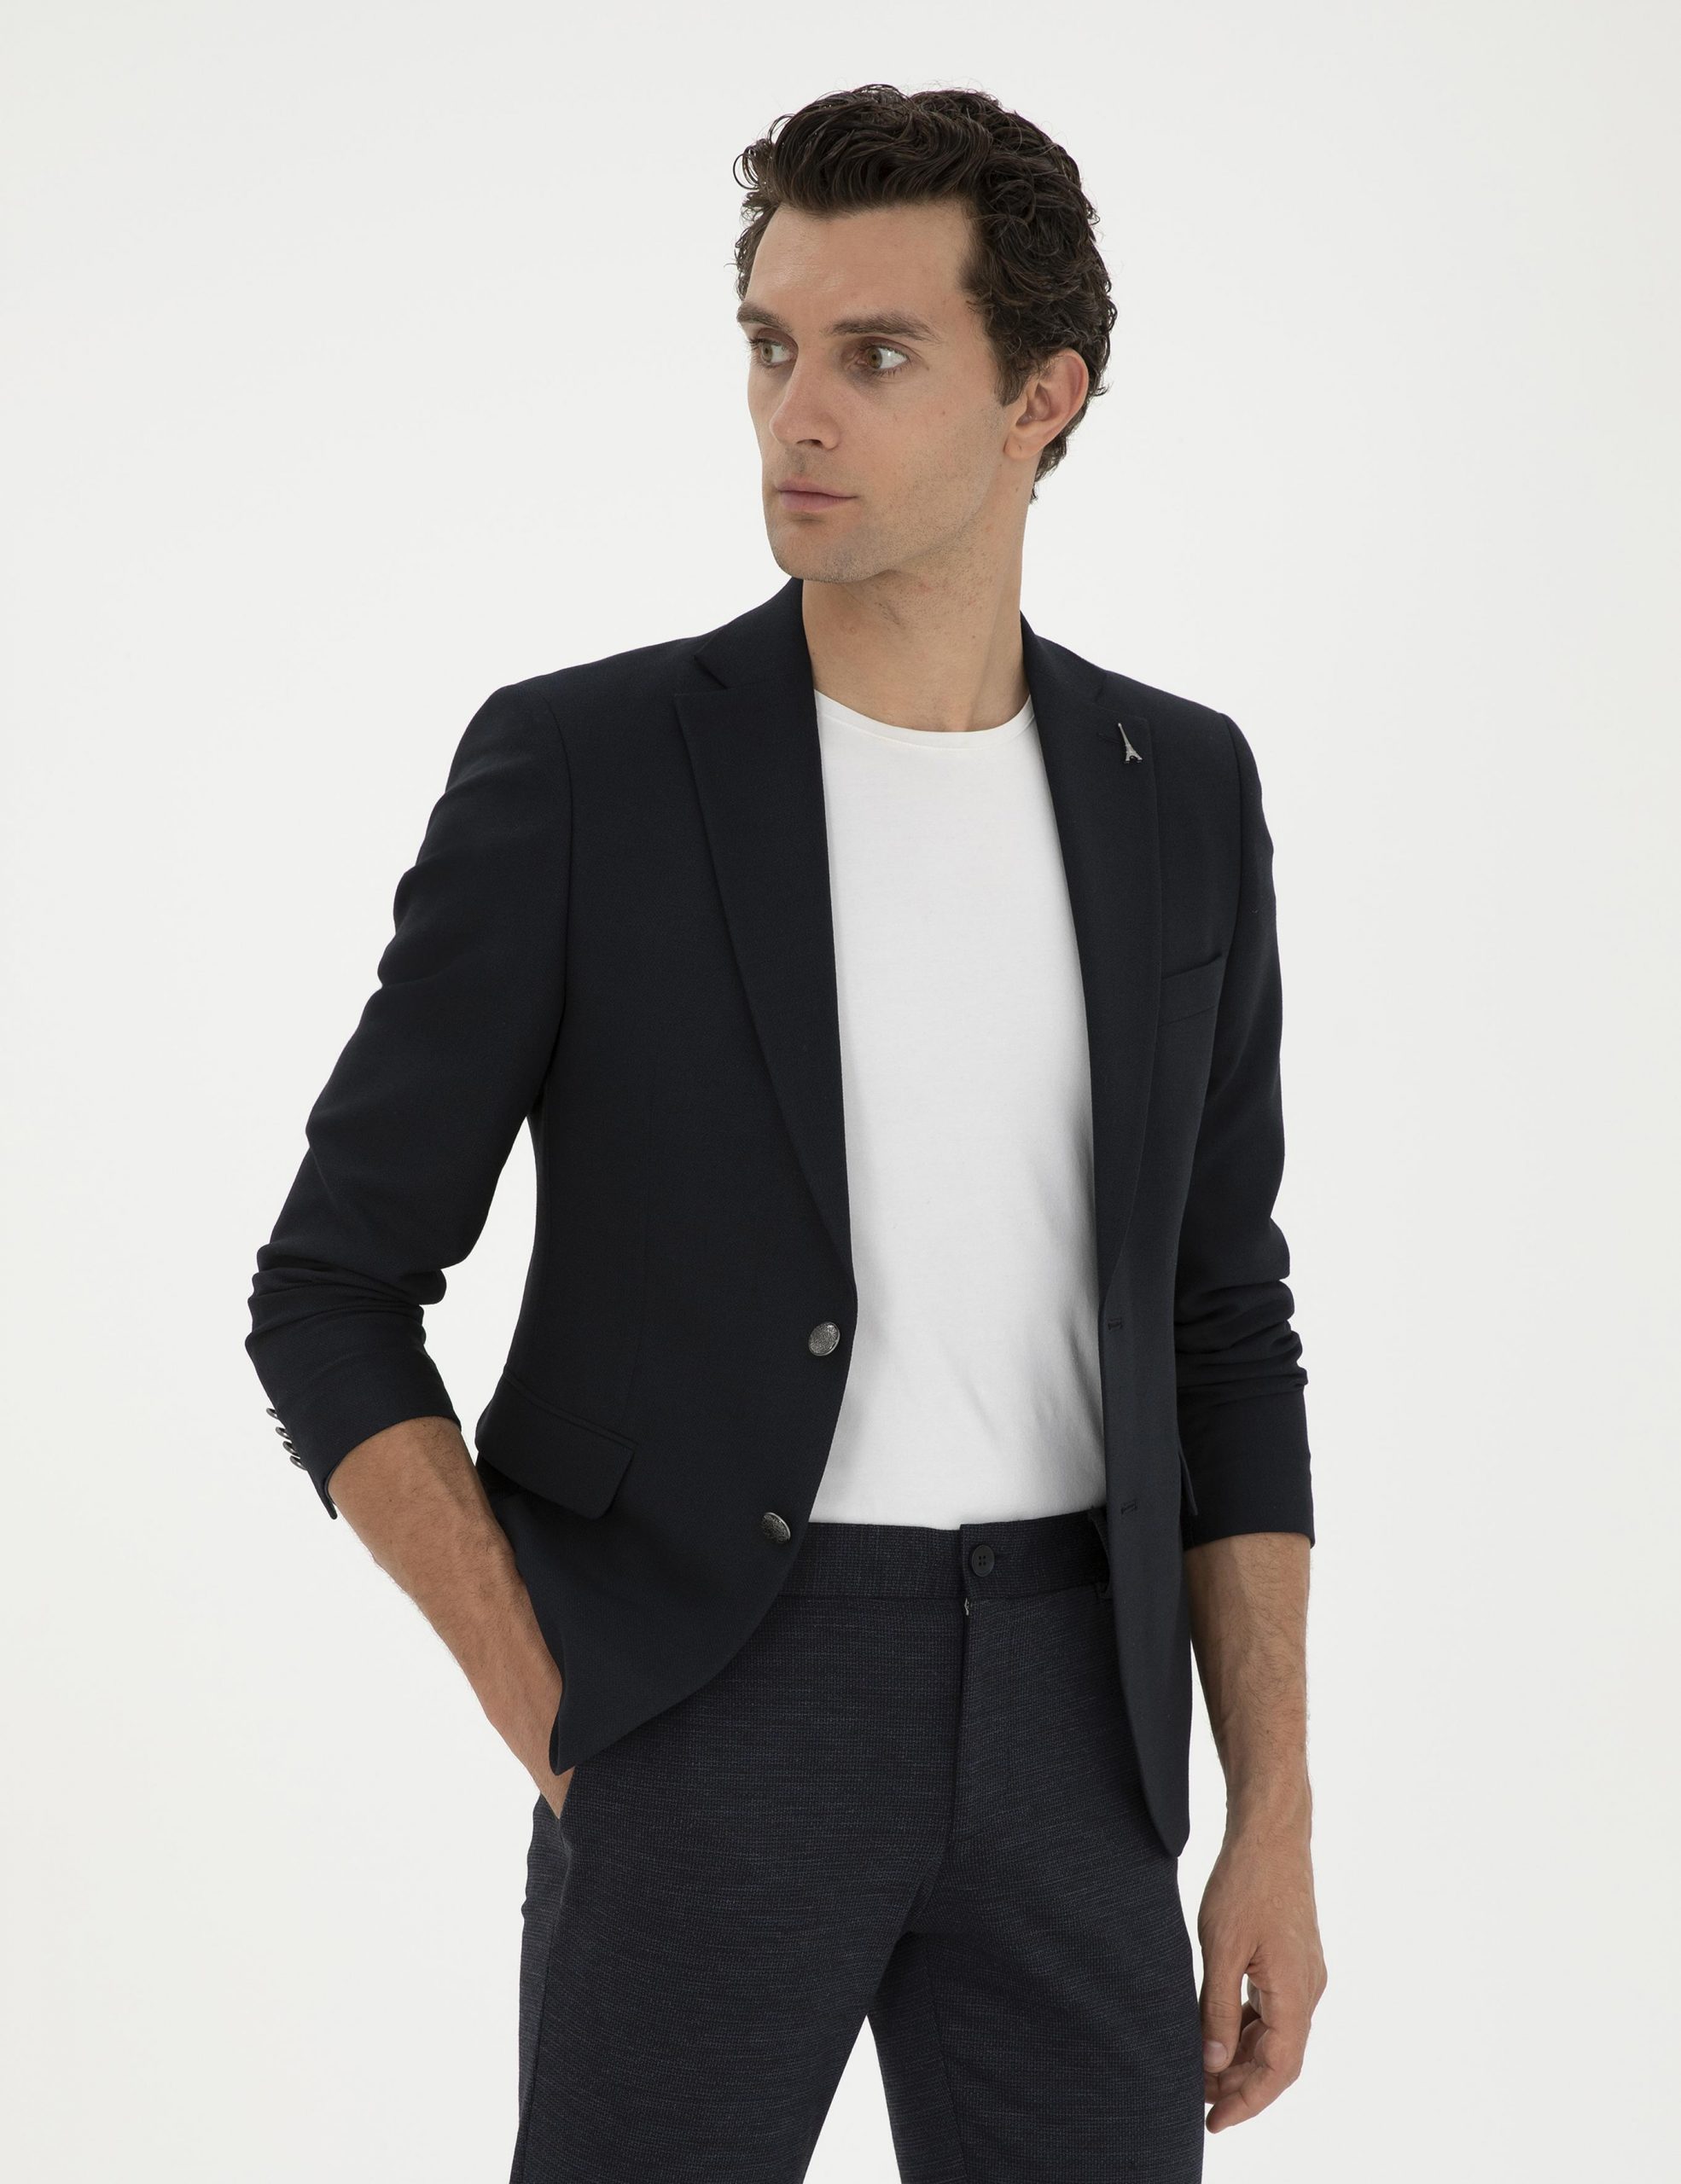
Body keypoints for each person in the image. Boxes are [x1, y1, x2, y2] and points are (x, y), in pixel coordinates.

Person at [247, 81, 1327, 2182]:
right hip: (705, 1700)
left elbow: (1224, 1316)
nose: (793, 414)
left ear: (1040, 398)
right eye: (769, 345)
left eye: (876, 354)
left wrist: (1268, 1807)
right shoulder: (588, 770)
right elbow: (330, 1287)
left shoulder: (1177, 787)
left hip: (1082, 1727)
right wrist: (557, 1705)